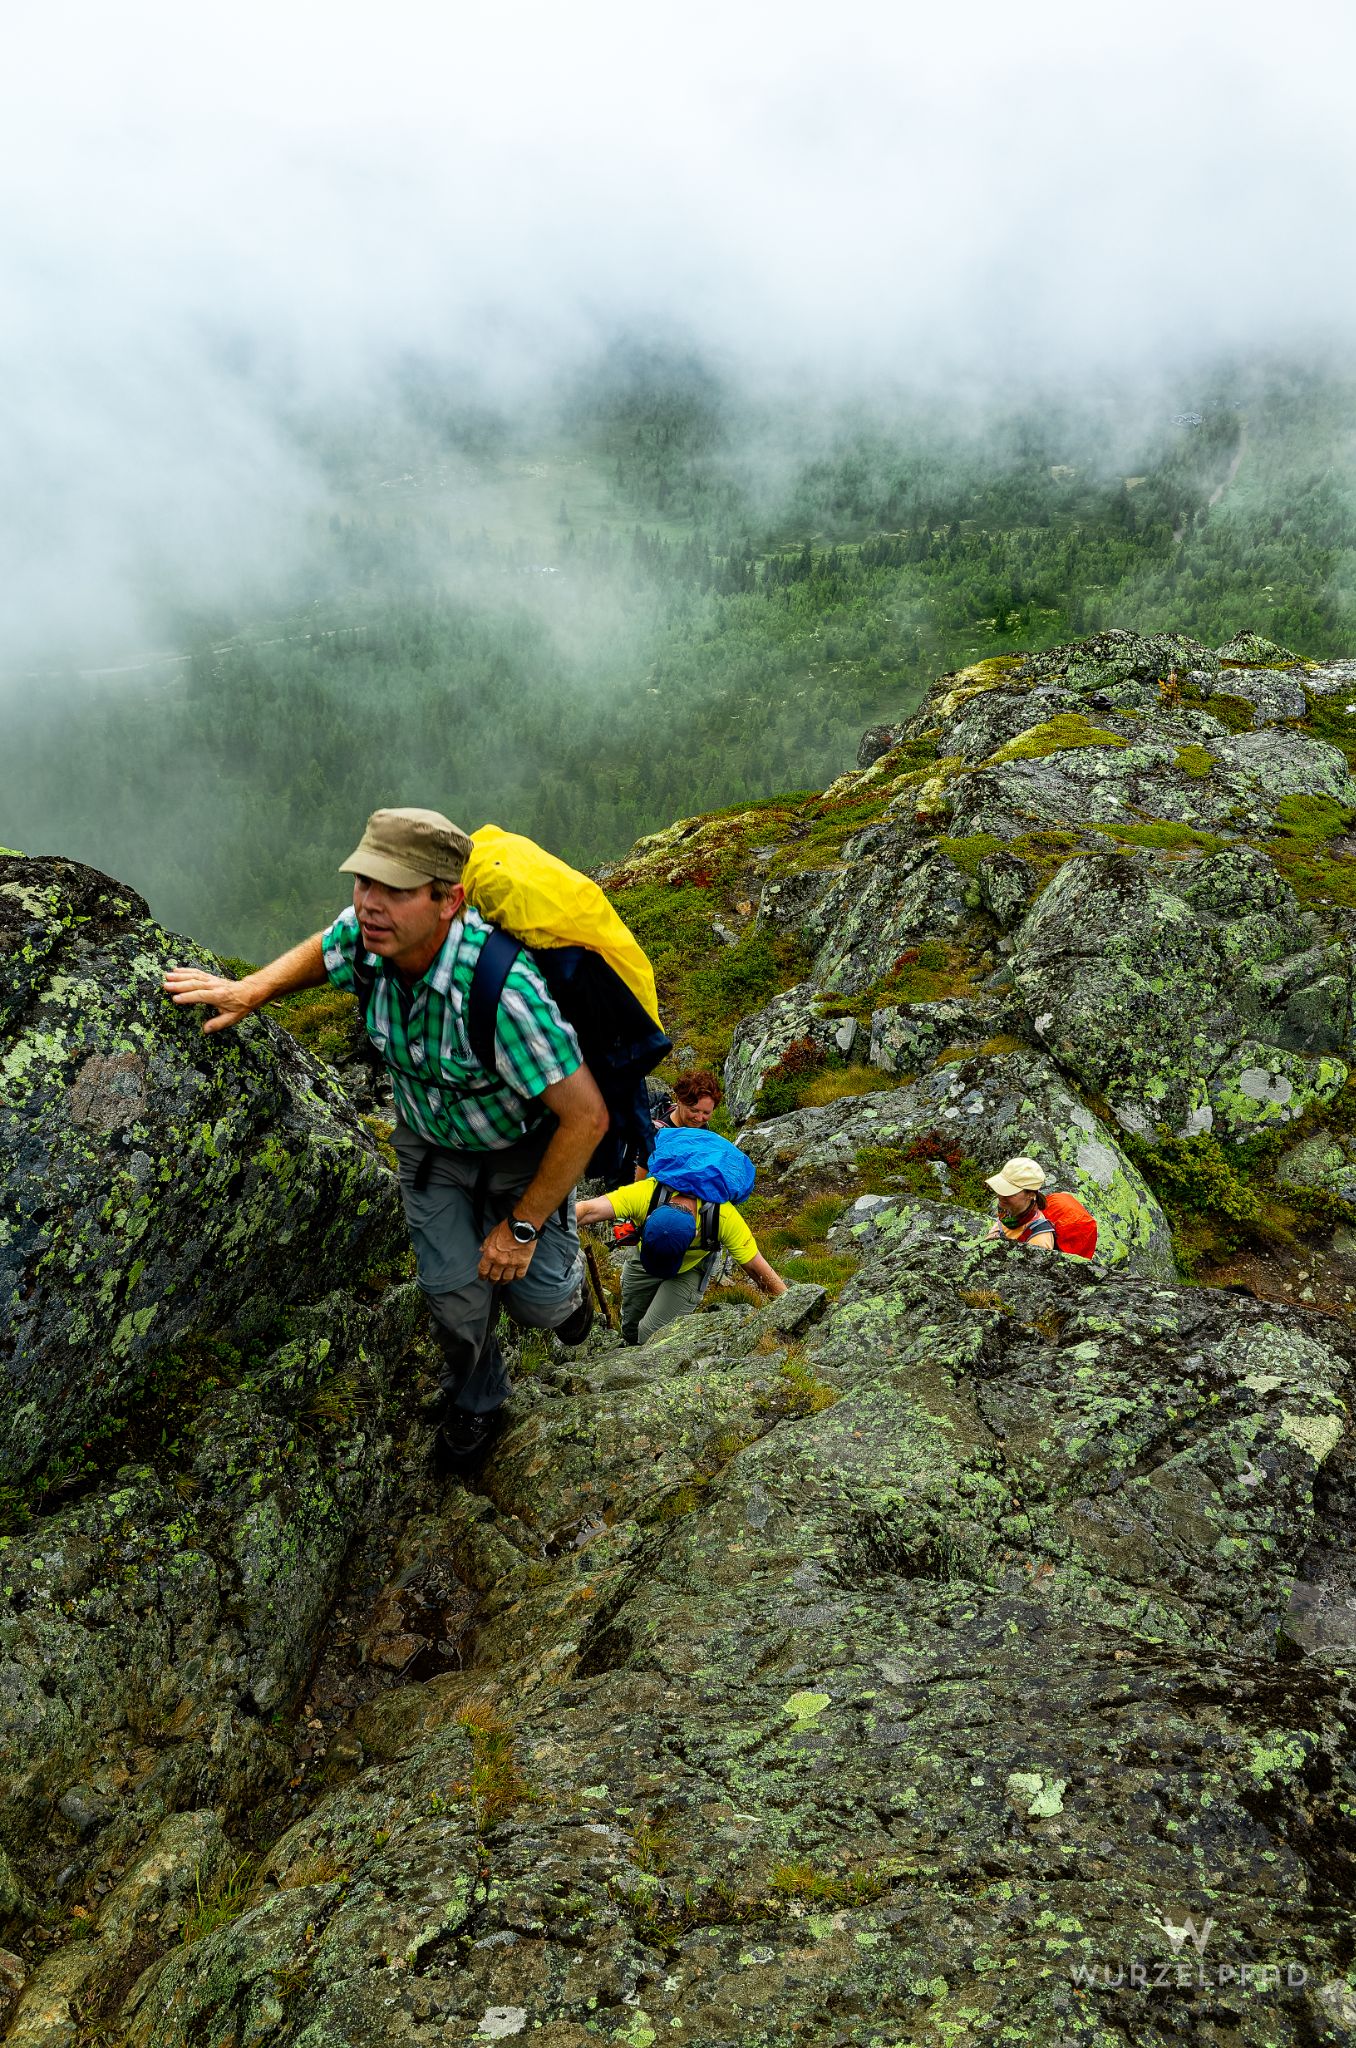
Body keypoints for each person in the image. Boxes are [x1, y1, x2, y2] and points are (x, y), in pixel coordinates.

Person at [164, 807, 608, 1469]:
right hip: (431, 1150)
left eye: (395, 889)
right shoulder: (368, 940)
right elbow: (328, 948)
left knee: (538, 1303)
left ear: (448, 901)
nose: (369, 903)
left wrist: (522, 1227)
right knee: (453, 1297)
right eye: (363, 881)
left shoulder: (502, 993)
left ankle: (568, 1294)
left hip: (520, 1154)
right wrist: (252, 989)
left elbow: (587, 1117)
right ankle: (479, 1399)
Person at [577, 1172, 786, 1345]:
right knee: (630, 1326)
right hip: (643, 1258)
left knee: (650, 1336)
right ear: (648, 1219)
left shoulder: (722, 1217)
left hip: (690, 1269)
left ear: (695, 1234)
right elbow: (587, 1211)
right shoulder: (644, 1194)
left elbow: (757, 1269)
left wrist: (791, 1310)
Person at [984, 1157, 1055, 1252]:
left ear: (1030, 1195)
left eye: (1009, 1192)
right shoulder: (1009, 1213)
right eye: (1001, 1188)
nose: (1000, 1196)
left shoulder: (1039, 1240)